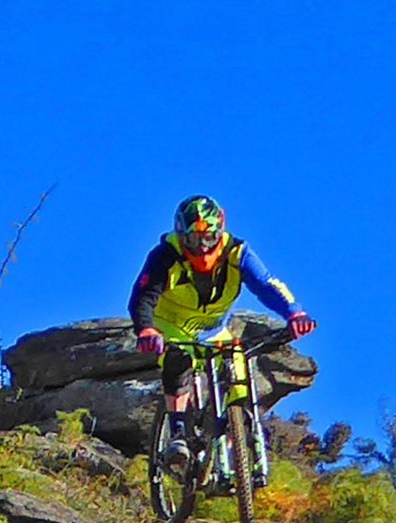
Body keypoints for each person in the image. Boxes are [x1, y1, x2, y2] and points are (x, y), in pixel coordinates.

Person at [128, 195, 316, 466]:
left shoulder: (237, 252)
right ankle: (178, 432)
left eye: (208, 238)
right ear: (181, 236)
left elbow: (268, 284)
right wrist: (147, 330)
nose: (202, 248)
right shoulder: (165, 255)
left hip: (214, 330)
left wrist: (294, 313)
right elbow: (143, 297)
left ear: (220, 231)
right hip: (170, 326)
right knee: (178, 358)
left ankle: (232, 440)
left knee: (239, 370)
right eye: (193, 240)